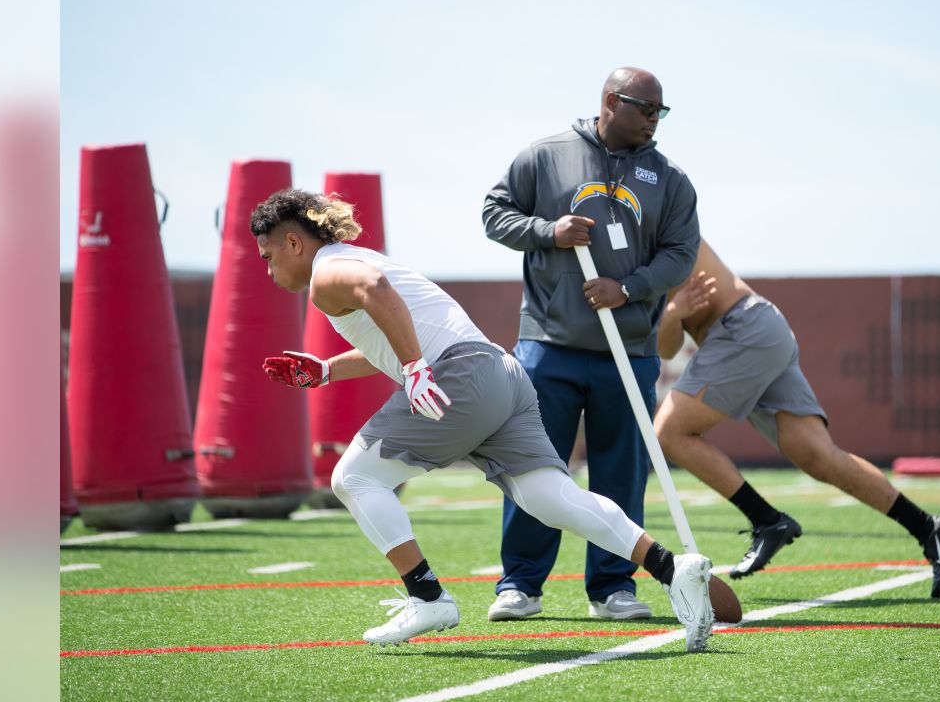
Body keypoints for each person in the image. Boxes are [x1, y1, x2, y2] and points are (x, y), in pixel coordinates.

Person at [252, 189, 714, 651]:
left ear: (295, 243)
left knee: (353, 478)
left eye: (269, 256)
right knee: (548, 497)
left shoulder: (328, 272)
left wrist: (414, 369)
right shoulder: (352, 260)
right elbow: (392, 329)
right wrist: (328, 370)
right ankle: (671, 567)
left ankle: (427, 595)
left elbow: (377, 293)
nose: (268, 271)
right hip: (501, 374)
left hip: (462, 376)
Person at [482, 67, 700, 621]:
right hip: (548, 345)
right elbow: (494, 215)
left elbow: (680, 254)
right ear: (610, 101)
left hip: (629, 351)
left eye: (661, 111)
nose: (655, 119)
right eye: (645, 108)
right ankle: (520, 586)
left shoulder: (670, 179)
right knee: (535, 469)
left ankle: (612, 587)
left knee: (620, 472)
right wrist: (548, 232)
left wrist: (626, 289)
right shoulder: (545, 156)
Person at [653, 239, 940, 598]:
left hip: (741, 329)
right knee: (817, 454)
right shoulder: (629, 243)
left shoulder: (656, 221)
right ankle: (929, 528)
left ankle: (767, 520)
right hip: (756, 331)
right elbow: (667, 347)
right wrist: (674, 314)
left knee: (670, 433)